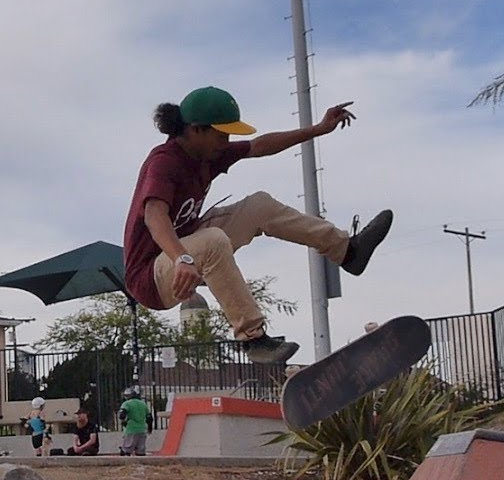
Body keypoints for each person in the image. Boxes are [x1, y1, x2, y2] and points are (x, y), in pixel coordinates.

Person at [123, 85, 394, 364]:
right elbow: (154, 216)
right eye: (221, 135)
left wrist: (318, 129)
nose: (226, 142)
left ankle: (347, 251)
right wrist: (182, 258)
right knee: (214, 240)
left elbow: (261, 146)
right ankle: (253, 339)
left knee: (259, 205)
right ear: (195, 130)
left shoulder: (209, 153)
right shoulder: (164, 162)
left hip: (186, 251)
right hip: (151, 277)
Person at [117, 387, 151, 456]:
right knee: (140, 451)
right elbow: (149, 417)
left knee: (126, 450)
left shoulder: (126, 404)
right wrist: (149, 427)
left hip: (131, 429)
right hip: (142, 429)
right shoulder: (143, 404)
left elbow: (121, 415)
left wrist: (124, 422)